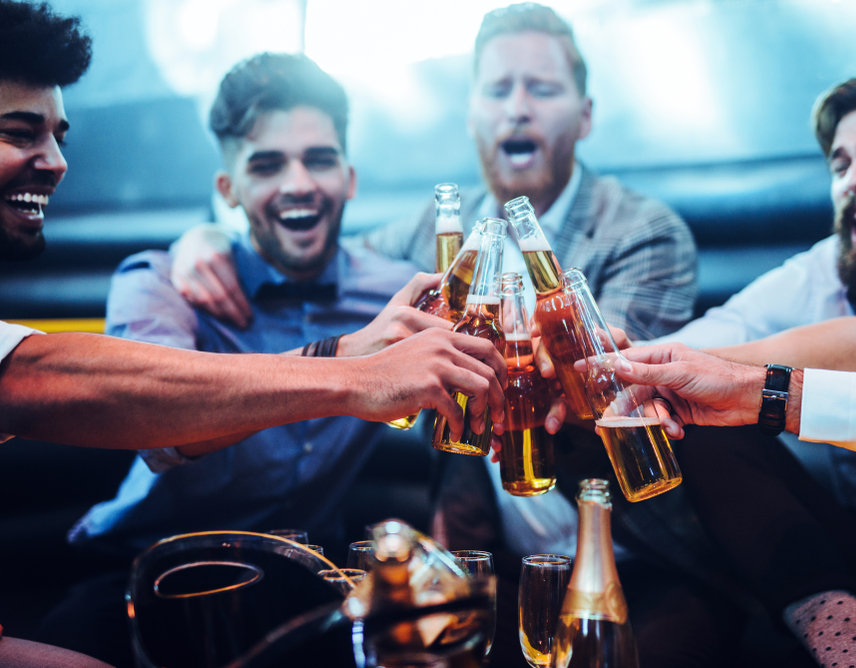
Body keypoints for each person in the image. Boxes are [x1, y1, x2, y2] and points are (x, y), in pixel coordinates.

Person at [165, 5, 708, 667]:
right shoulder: (437, 235)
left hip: (636, 553)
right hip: (491, 559)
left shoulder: (642, 233)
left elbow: (604, 404)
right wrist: (205, 236)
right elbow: (321, 252)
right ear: (472, 111)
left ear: (585, 114)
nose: (517, 110)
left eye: (542, 88)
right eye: (497, 89)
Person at [0, 3, 506, 663]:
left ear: (349, 178)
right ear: (227, 189)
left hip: (306, 578)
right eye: (266, 165)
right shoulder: (163, 281)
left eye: (319, 159)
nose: (299, 184)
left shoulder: (398, 290)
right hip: (143, 576)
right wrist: (351, 364)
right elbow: (164, 427)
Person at [630, 67, 856, 668]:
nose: (855, 180)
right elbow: (703, 348)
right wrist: (636, 367)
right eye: (840, 164)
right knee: (695, 404)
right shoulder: (817, 274)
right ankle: (843, 641)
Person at [611, 295, 856, 469]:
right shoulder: (825, 264)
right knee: (705, 424)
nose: (854, 182)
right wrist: (627, 364)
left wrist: (764, 393)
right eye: (840, 165)